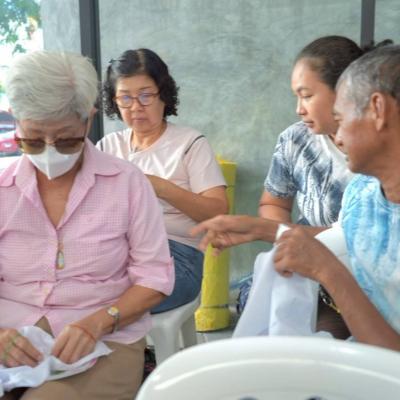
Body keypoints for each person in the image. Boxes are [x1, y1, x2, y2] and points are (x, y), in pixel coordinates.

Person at [192, 44, 400, 351]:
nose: (339, 138)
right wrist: (260, 229)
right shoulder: (362, 193)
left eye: (341, 119)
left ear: (378, 110)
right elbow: (342, 238)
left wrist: (327, 271)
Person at [0, 50, 174, 399]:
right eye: (33, 140)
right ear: (16, 121)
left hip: (104, 342)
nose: (49, 152)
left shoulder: (126, 183)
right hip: (11, 337)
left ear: (88, 120)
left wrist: (99, 322)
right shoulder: (4, 189)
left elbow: (155, 278)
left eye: (66, 140)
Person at [239, 36, 366, 338]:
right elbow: (274, 203)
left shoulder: (375, 156)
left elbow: (355, 239)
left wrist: (269, 231)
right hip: (309, 267)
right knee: (256, 297)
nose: (299, 109)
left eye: (307, 95)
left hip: (360, 278)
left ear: (344, 92)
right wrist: (285, 239)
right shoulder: (296, 140)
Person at [98, 48, 228, 313]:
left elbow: (217, 211)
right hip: (118, 250)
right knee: (76, 287)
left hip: (177, 255)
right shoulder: (107, 147)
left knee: (105, 296)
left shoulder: (189, 143)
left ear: (164, 94)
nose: (136, 107)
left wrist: (158, 186)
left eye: (146, 95)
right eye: (125, 98)